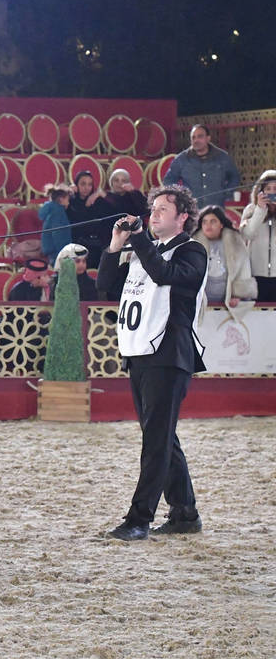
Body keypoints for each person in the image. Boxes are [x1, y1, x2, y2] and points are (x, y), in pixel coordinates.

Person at [95, 185, 207, 541]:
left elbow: (165, 275)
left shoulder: (193, 251)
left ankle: (139, 519)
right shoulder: (144, 250)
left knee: (156, 439)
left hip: (169, 353)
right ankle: (185, 513)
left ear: (182, 217)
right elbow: (106, 285)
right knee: (159, 436)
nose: (153, 214)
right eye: (152, 209)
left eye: (162, 209)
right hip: (140, 352)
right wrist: (115, 246)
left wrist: (139, 240)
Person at [191, 206, 256, 309]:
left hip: (228, 303)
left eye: (213, 221)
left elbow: (243, 270)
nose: (208, 225)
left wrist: (239, 295)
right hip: (199, 302)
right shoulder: (192, 245)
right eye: (204, 222)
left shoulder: (235, 241)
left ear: (221, 224)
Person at [163, 123, 241, 207]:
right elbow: (168, 181)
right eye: (193, 137)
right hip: (191, 209)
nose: (196, 140)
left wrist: (227, 193)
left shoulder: (222, 157)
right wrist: (180, 196)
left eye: (200, 136)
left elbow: (235, 176)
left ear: (208, 138)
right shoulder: (181, 159)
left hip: (216, 208)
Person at [238, 169, 276, 302]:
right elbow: (247, 234)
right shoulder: (251, 210)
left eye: (275, 189)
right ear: (261, 191)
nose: (272, 192)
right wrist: (260, 210)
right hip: (256, 274)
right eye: (268, 189)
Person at [66, 170, 111, 267]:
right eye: (83, 184)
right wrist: (68, 193)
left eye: (89, 184)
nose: (86, 188)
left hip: (98, 244)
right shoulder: (71, 201)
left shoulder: (97, 201)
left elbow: (115, 211)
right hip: (78, 245)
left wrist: (100, 194)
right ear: (76, 185)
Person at [38, 186, 72, 265]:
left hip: (52, 249)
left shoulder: (53, 211)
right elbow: (58, 234)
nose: (69, 202)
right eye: (67, 200)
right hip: (57, 251)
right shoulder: (58, 213)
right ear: (61, 199)